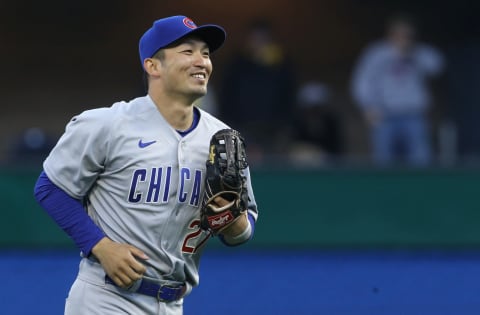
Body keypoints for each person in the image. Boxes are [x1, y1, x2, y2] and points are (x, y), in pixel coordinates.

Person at [33, 15, 258, 315]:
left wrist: (233, 220)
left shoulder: (223, 141)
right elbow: (49, 187)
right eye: (187, 51)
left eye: (205, 53)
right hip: (105, 296)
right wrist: (100, 245)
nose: (201, 61)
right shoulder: (107, 124)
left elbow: (244, 228)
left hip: (173, 302)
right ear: (153, 66)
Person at [350, 14, 445, 166]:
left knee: (420, 160)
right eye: (400, 34)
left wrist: (412, 53)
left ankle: (421, 190)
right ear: (391, 34)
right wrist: (367, 106)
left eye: (408, 35)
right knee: (385, 162)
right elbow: (363, 82)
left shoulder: (420, 53)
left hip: (413, 115)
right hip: (384, 115)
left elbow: (437, 67)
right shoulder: (376, 53)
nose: (404, 38)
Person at [218, 19, 296, 162]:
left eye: (263, 38)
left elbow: (289, 96)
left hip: (273, 130)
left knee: (273, 166)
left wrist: (284, 125)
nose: (259, 42)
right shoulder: (237, 63)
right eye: (255, 38)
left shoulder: (282, 64)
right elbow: (227, 96)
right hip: (242, 127)